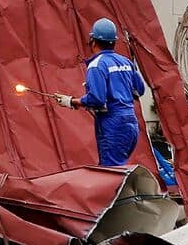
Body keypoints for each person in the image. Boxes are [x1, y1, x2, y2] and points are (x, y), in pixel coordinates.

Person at [54, 17, 146, 166]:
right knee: (119, 168)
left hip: (112, 125)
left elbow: (97, 99)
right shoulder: (125, 62)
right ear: (114, 41)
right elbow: (139, 90)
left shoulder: (97, 65)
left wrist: (71, 101)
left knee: (111, 172)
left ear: (93, 41)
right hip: (130, 124)